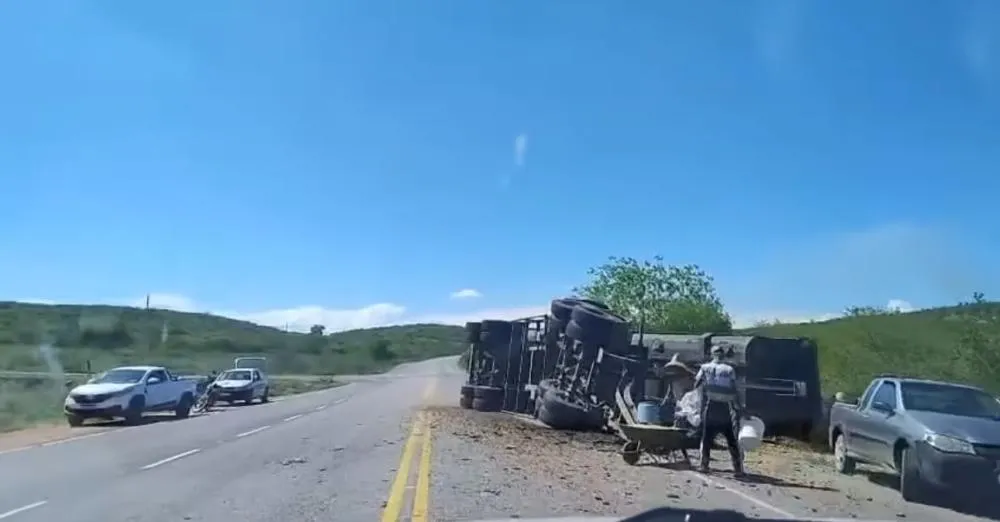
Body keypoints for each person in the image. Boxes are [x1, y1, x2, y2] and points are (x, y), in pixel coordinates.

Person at [693, 343, 745, 476]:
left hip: (711, 406)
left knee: (707, 437)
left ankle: (704, 465)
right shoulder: (729, 369)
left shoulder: (705, 368)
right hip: (724, 407)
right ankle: (737, 468)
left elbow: (696, 383)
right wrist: (739, 406)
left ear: (712, 354)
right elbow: (735, 390)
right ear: (723, 355)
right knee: (731, 439)